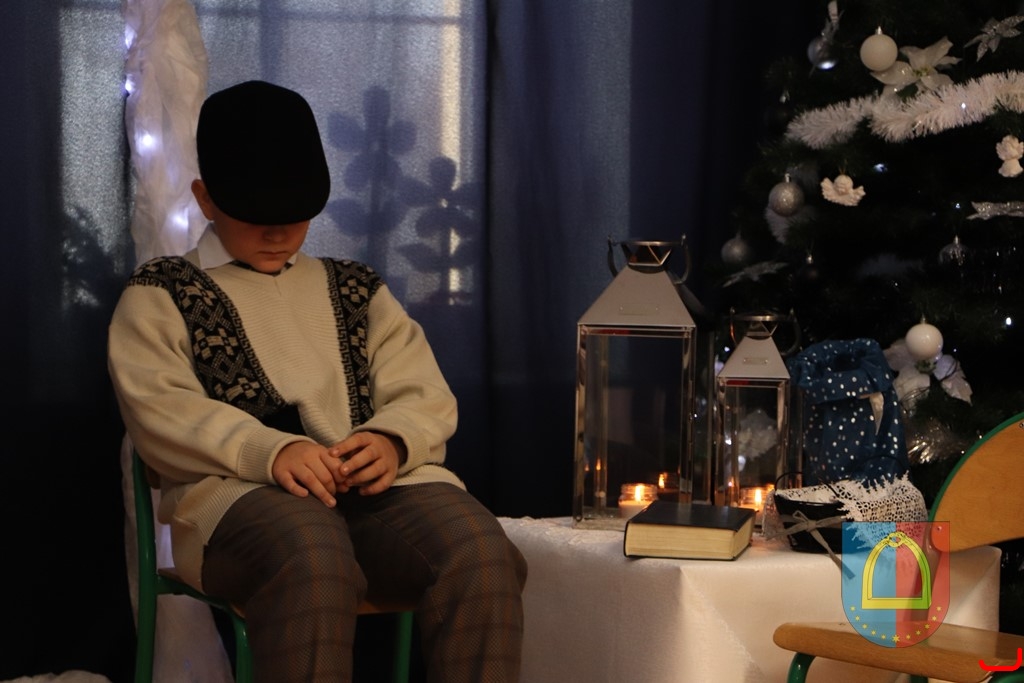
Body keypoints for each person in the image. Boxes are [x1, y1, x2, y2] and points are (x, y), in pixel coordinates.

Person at [108, 80, 527, 683]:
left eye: (294, 214)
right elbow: (159, 411)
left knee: (478, 550)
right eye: (256, 215)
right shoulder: (161, 292)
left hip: (380, 498)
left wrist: (393, 440)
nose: (278, 233)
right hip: (238, 509)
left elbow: (424, 392)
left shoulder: (357, 288)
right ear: (205, 199)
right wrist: (271, 450)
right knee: (310, 552)